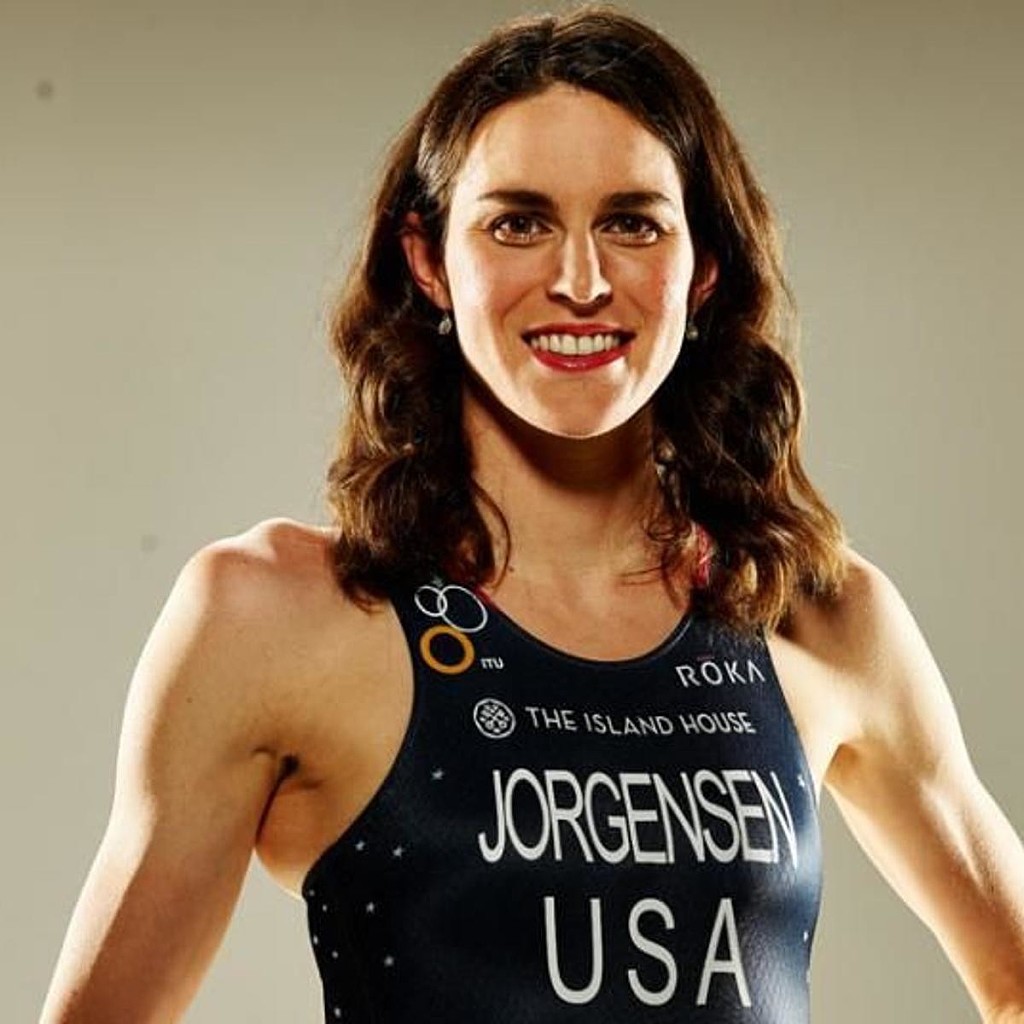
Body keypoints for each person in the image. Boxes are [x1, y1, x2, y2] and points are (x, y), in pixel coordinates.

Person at [40, 4, 1024, 1023]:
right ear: (428, 260)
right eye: (518, 222)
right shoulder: (272, 617)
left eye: (632, 222)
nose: (580, 282)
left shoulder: (820, 617)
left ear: (703, 268)